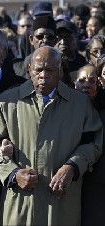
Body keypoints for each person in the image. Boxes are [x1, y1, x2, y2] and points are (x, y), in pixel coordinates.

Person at [0, 46, 103, 226]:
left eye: (50, 70)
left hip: (61, 204)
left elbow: (93, 142)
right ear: (29, 69)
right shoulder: (7, 102)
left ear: (60, 70)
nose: (43, 75)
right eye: (39, 69)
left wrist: (72, 166)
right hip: (20, 205)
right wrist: (13, 174)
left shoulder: (80, 104)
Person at [74, 64, 105, 226]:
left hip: (96, 185)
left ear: (98, 85)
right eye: (81, 80)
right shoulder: (65, 110)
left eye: (92, 81)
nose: (86, 84)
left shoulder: (101, 113)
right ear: (74, 84)